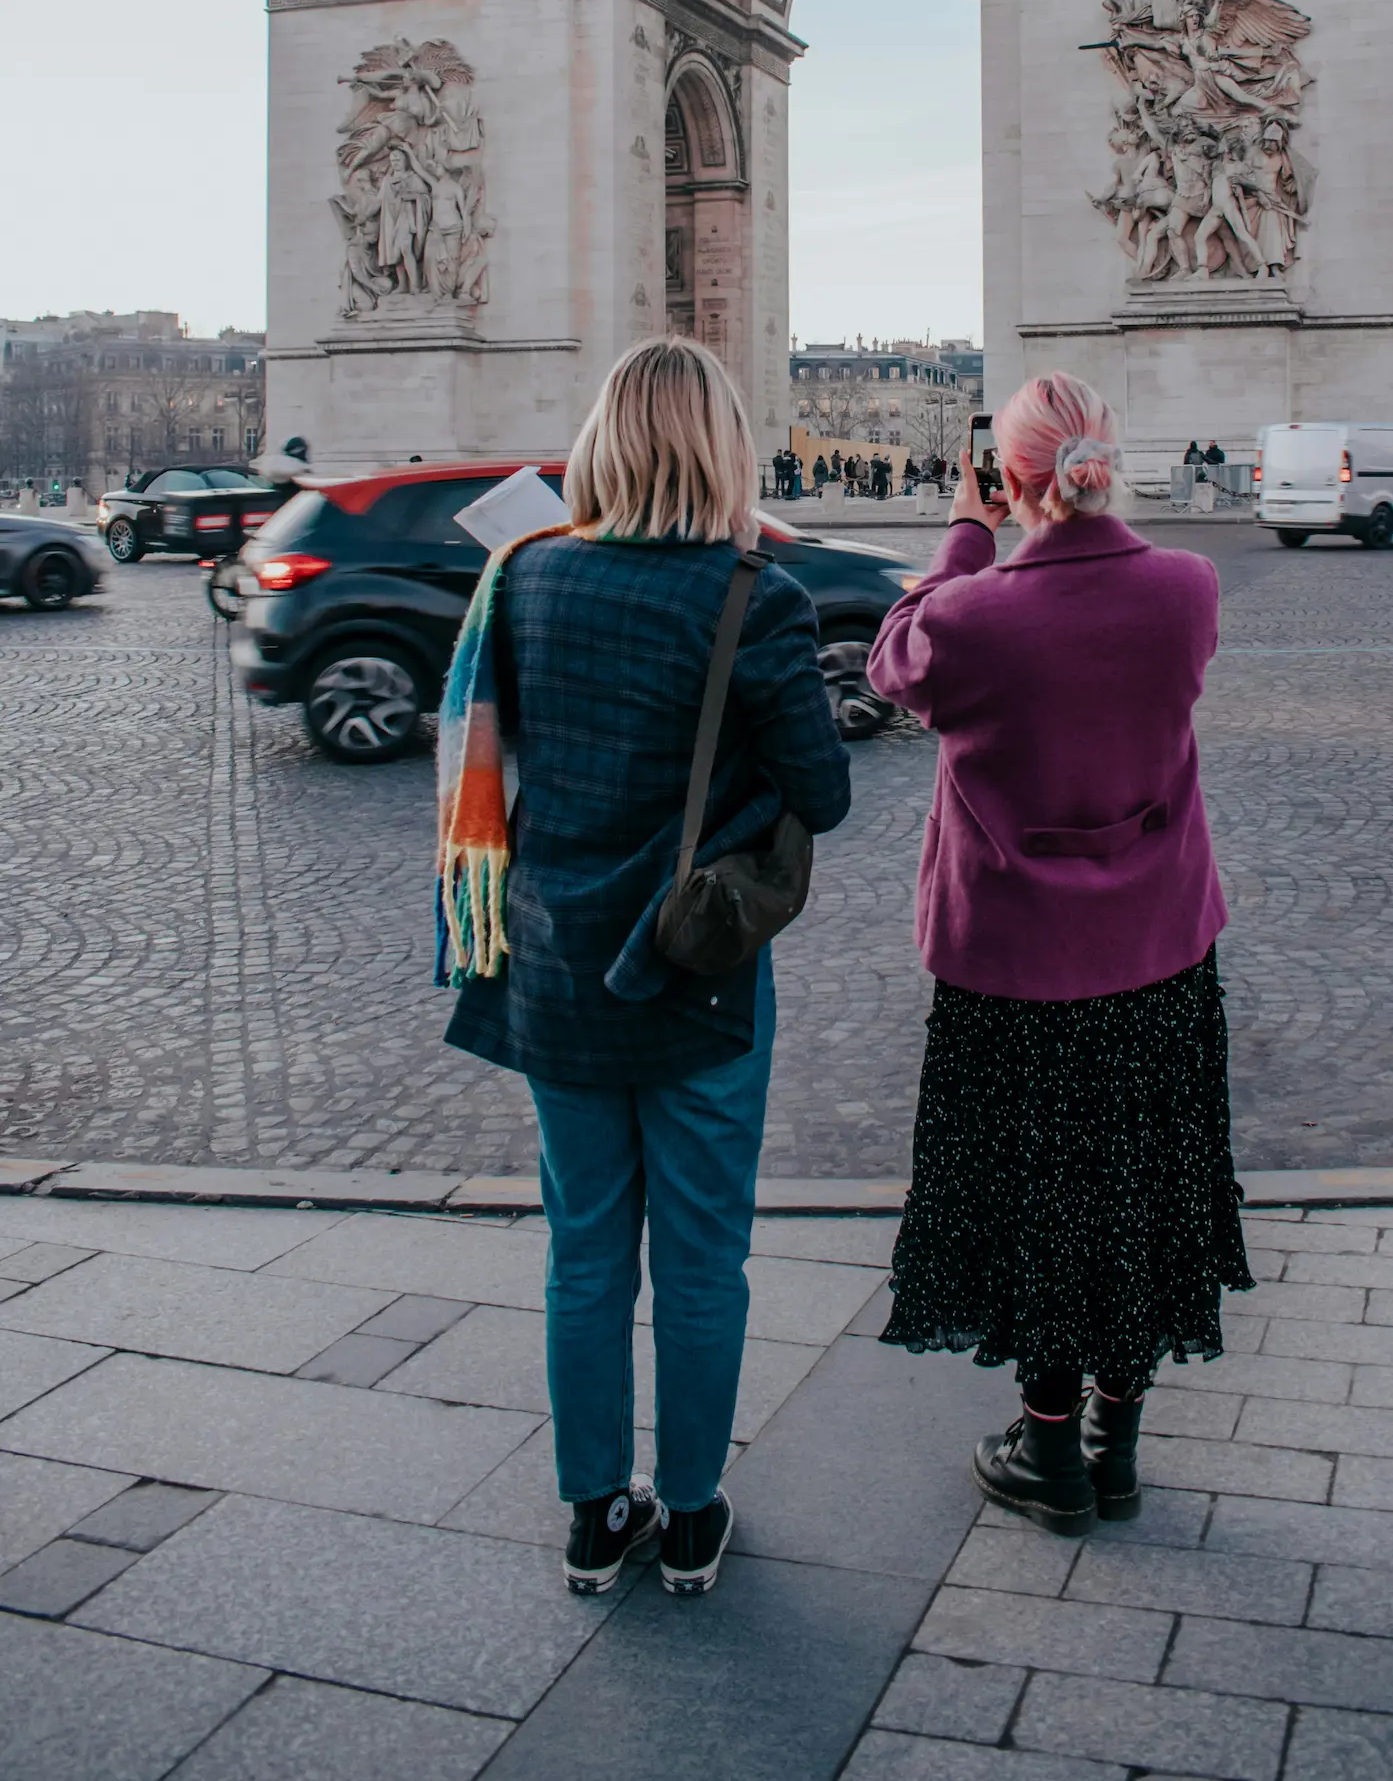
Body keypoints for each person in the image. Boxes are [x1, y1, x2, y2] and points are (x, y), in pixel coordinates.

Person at [440, 339, 851, 1598]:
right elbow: (825, 793)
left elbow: (523, 744)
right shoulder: (755, 596)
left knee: (582, 1252)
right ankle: (686, 1514)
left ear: (602, 442)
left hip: (554, 965)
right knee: (700, 1258)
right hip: (695, 970)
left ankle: (590, 1511)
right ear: (724, 448)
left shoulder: (523, 575)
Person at [868, 371, 1252, 1535]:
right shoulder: (1187, 588)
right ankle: (1112, 1444)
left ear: (1008, 471)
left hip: (1012, 961)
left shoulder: (968, 617)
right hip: (1157, 947)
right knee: (1137, 1188)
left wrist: (964, 531)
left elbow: (893, 657)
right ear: (1107, 458)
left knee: (1035, 1197)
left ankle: (1045, 1449)